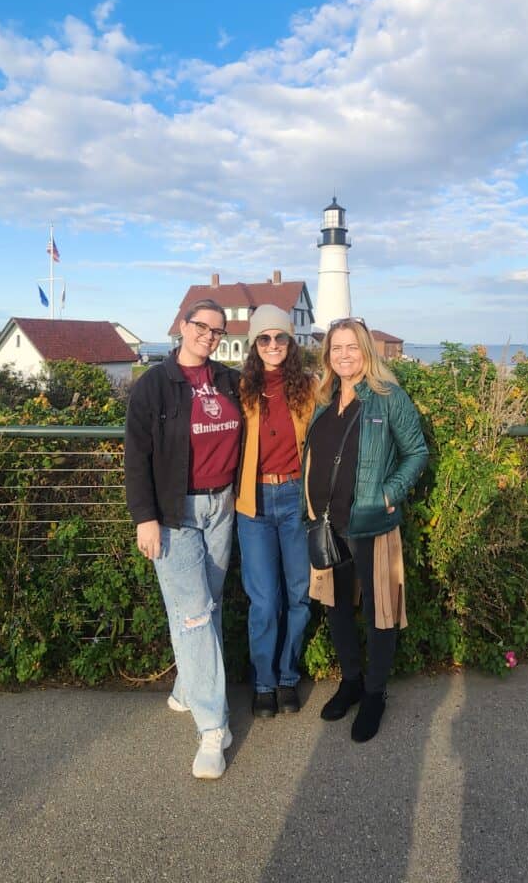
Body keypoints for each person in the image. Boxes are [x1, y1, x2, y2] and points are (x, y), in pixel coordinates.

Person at [124, 299, 242, 780]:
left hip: (223, 506)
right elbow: (136, 455)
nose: (208, 336)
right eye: (201, 326)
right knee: (194, 615)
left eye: (217, 330)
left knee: (203, 606)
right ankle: (214, 728)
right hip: (175, 514)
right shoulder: (153, 385)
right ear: (182, 327)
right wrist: (144, 517)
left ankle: (188, 686)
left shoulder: (229, 381)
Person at [302, 317, 428, 743]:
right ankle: (351, 681)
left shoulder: (388, 397)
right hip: (327, 524)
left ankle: (374, 693)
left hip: (371, 523)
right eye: (336, 348)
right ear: (328, 355)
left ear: (367, 351)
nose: (344, 355)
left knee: (380, 611)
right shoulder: (324, 398)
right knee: (336, 607)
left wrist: (389, 495)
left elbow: (416, 452)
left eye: (352, 347)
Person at [235, 304, 317, 717]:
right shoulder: (242, 388)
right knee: (265, 601)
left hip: (294, 501)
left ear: (291, 341)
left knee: (299, 595)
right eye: (264, 338)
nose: (272, 345)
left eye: (280, 337)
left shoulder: (309, 386)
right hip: (253, 503)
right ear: (254, 343)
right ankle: (263, 680)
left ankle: (288, 676)